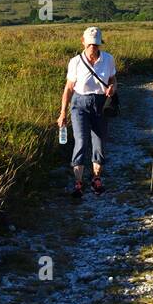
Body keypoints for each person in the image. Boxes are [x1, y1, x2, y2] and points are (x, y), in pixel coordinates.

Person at [58, 26, 117, 197]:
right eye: (90, 44)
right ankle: (78, 182)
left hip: (100, 103)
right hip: (79, 104)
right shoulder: (75, 62)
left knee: (99, 142)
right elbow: (68, 88)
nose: (93, 47)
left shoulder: (108, 59)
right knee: (81, 141)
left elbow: (113, 79)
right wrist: (62, 112)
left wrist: (112, 87)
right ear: (83, 42)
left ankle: (96, 178)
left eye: (96, 45)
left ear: (100, 44)